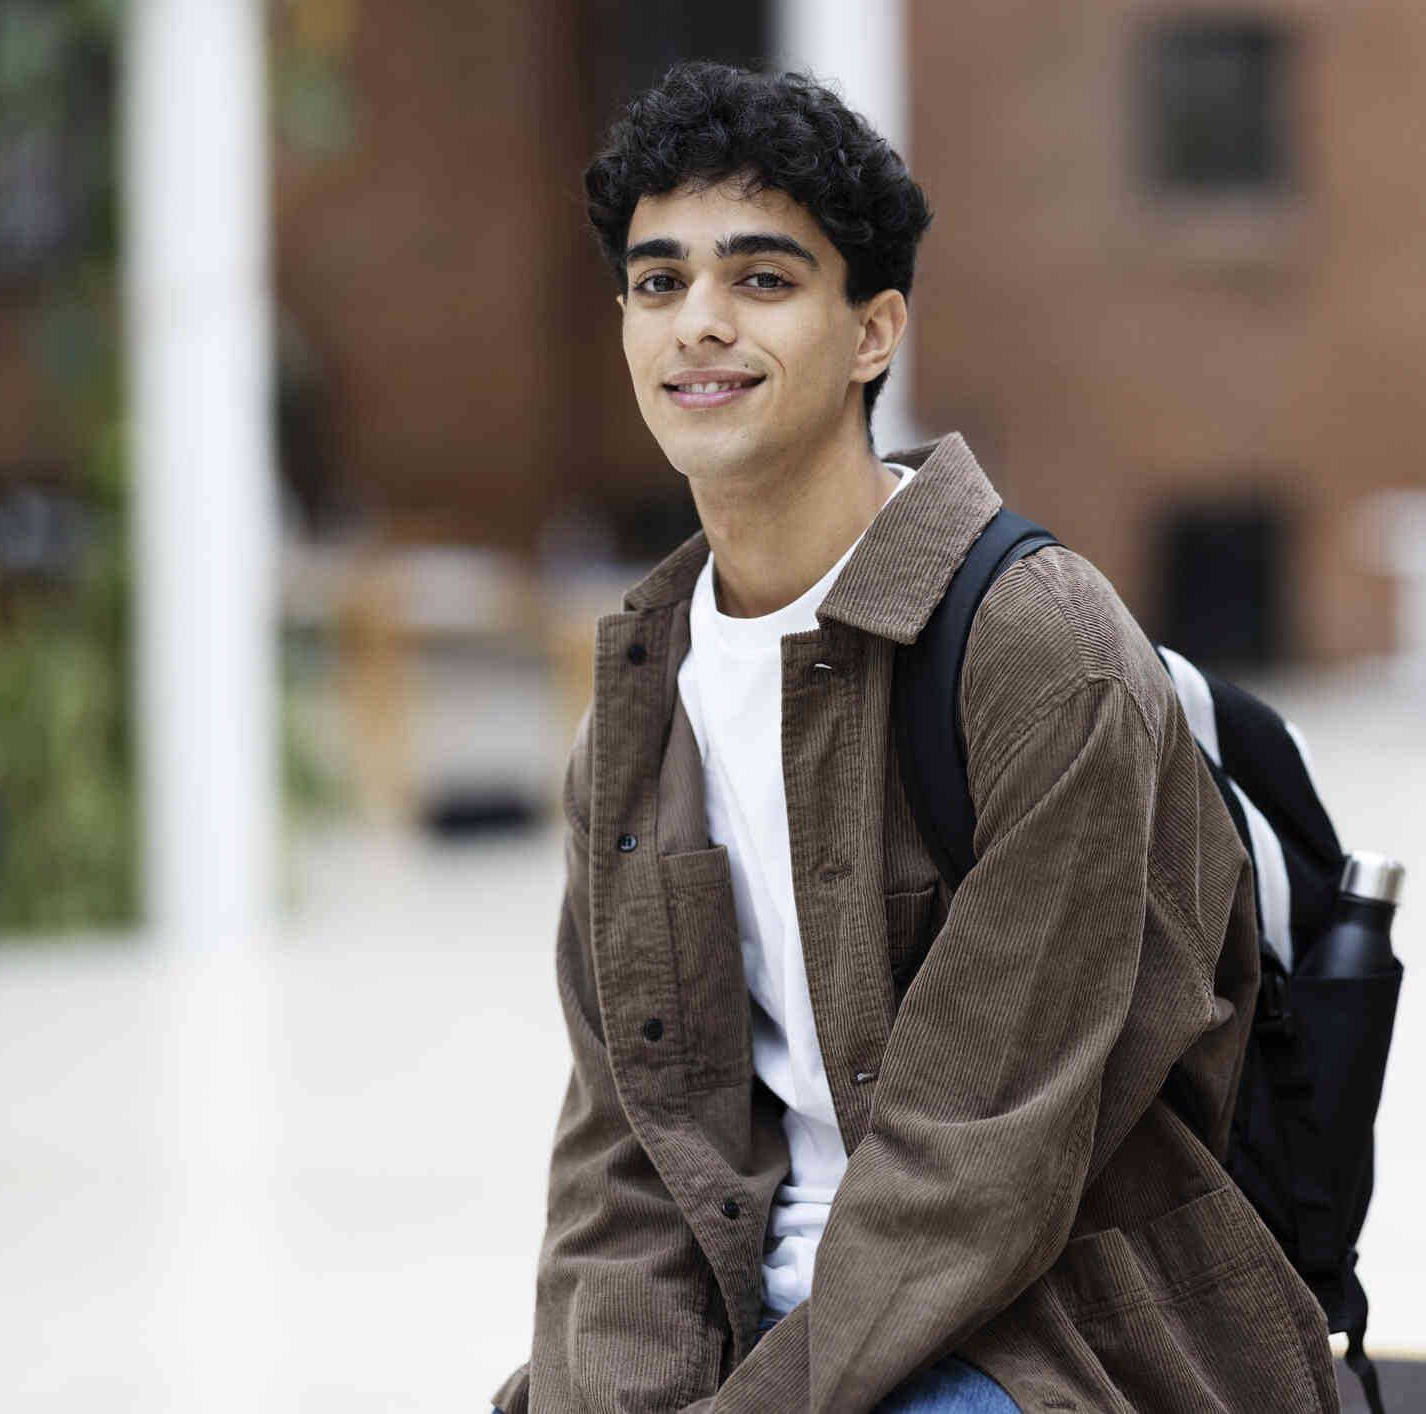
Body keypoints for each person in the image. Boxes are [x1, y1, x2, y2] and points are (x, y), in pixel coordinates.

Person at [491, 61, 1342, 1414]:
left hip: (1035, 1328)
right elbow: (627, 1152)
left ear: (874, 330)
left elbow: (973, 1170)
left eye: (760, 279)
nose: (697, 324)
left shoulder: (1038, 649)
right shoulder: (641, 704)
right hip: (745, 1321)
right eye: (659, 283)